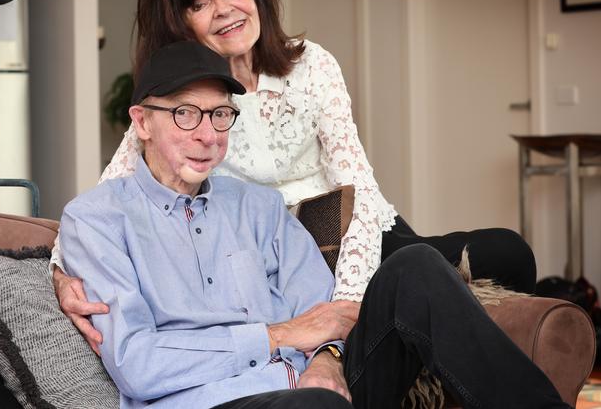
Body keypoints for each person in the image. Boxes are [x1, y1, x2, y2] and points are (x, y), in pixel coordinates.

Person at [51, 0, 536, 351]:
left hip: (355, 235)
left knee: (509, 252)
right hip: (280, 258)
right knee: (416, 289)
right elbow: (104, 198)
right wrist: (60, 273)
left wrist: (348, 299)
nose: (225, 10)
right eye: (199, 4)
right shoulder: (177, 103)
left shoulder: (313, 65)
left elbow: (359, 188)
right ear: (179, 24)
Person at [59, 41, 570, 409]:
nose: (209, 135)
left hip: (323, 386)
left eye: (220, 115)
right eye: (186, 114)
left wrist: (325, 358)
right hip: (214, 399)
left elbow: (323, 314)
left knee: (415, 265)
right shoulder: (99, 220)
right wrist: (280, 335)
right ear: (142, 122)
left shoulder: (257, 207)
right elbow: (139, 364)